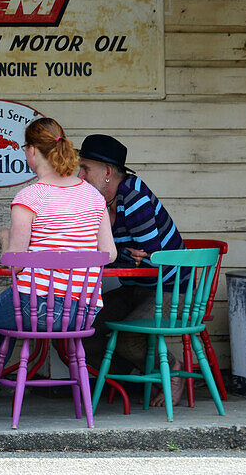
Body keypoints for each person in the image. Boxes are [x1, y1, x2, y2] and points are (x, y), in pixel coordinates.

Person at [0, 117, 115, 425]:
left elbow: (13, 260)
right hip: (82, 310)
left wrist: (5, 238)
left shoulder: (29, 198)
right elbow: (109, 254)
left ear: (31, 152)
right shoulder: (93, 196)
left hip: (37, 305)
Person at [77, 133, 188, 406]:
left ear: (106, 172)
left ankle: (172, 371)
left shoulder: (134, 195)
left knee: (127, 341)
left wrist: (122, 256)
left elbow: (150, 260)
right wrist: (124, 256)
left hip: (170, 289)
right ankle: (140, 375)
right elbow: (116, 257)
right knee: (82, 329)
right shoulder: (99, 203)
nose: (79, 175)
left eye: (85, 168)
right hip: (137, 288)